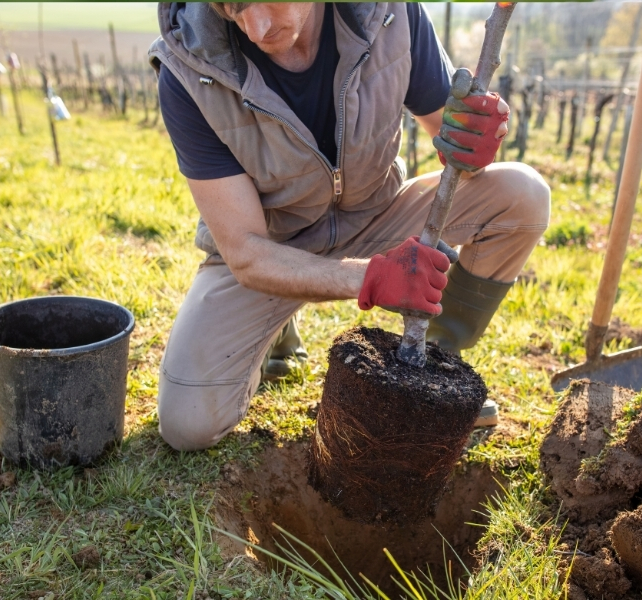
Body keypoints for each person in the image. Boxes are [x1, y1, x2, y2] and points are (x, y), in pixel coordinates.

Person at [149, 2, 550, 451]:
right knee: (188, 425)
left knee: (523, 194)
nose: (256, 27)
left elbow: (455, 148)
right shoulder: (189, 70)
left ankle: (432, 370)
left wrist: (473, 140)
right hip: (272, 247)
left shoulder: (388, 15)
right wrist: (371, 277)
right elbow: (245, 250)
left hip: (379, 213)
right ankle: (275, 328)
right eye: (233, 8)